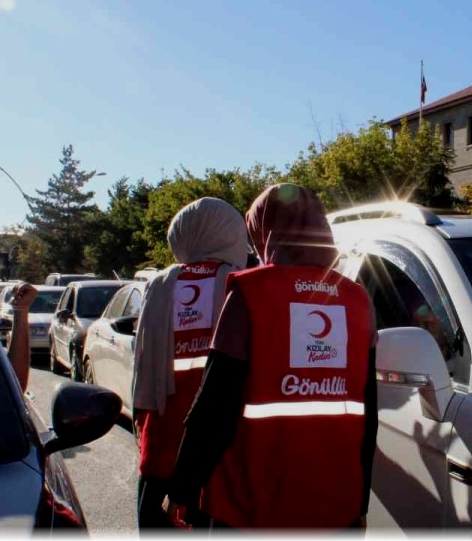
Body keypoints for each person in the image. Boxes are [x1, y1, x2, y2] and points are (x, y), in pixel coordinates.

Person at [166, 183, 379, 530]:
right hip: (336, 501)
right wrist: (361, 499)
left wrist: (182, 487)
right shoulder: (357, 299)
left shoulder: (250, 293)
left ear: (265, 231)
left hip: (252, 502)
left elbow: (214, 405)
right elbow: (369, 413)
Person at [131, 198, 249, 530]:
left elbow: (142, 363)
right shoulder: (241, 284)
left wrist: (140, 419)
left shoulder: (160, 284)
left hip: (163, 435)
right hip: (219, 445)